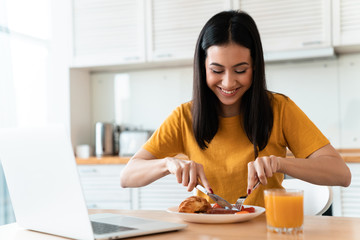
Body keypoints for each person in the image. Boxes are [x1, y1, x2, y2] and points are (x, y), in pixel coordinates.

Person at [120, 10, 351, 207]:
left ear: (255, 66)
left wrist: (280, 163)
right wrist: (167, 163)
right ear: (203, 68)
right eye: (217, 70)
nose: (229, 83)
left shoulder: (280, 109)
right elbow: (128, 176)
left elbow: (341, 173)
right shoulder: (184, 116)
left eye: (240, 70)